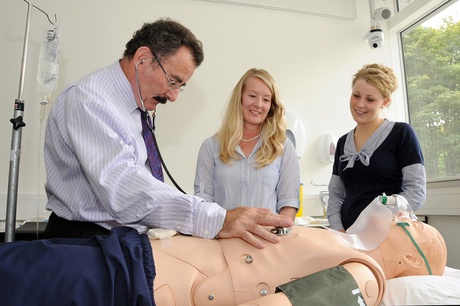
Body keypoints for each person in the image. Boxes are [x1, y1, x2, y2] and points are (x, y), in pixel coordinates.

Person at [43, 18, 292, 248]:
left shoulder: (134, 110)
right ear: (142, 59)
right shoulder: (89, 102)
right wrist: (217, 219)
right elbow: (125, 189)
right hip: (84, 243)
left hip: (122, 239)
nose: (172, 96)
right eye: (173, 81)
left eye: (180, 87)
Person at [0, 208, 447, 306]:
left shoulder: (365, 280)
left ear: (410, 263)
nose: (403, 216)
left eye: (416, 227)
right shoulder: (346, 243)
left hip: (138, 284)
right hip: (130, 255)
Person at [327, 63, 426, 231]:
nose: (360, 104)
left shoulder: (401, 133)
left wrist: (375, 226)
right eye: (356, 95)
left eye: (370, 99)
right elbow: (335, 195)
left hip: (388, 233)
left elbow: (416, 192)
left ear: (385, 102)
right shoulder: (343, 142)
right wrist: (339, 231)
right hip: (347, 236)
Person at [194, 68, 300, 221]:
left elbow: (289, 203)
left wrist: (277, 233)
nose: (258, 104)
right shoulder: (210, 147)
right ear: (240, 98)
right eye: (252, 96)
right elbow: (203, 202)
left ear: (272, 106)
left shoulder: (283, 147)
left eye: (266, 99)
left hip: (268, 240)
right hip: (223, 240)